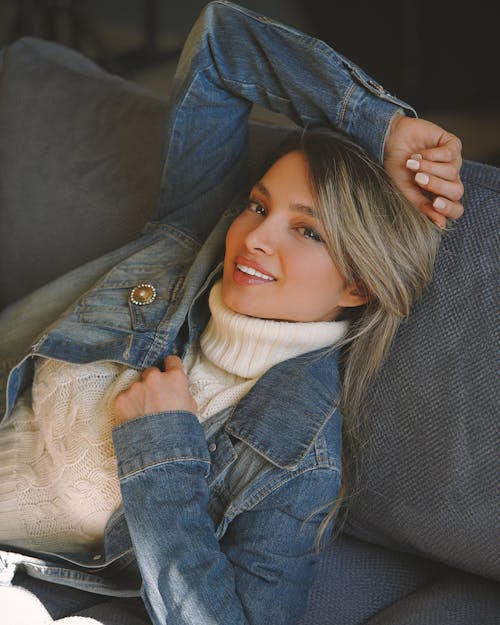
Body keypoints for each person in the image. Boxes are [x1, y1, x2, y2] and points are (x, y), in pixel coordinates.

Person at [0, 2, 464, 624]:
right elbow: (222, 44)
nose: (254, 238)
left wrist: (161, 451)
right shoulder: (191, 243)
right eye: (257, 205)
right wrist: (382, 125)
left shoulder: (298, 454)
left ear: (358, 285)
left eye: (308, 232)